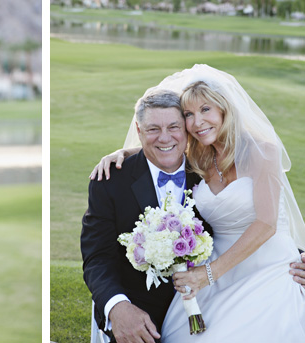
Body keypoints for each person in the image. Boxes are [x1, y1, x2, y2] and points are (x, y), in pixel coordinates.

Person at [89, 65, 305, 342]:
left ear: (225, 110)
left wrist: (207, 275)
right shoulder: (201, 158)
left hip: (263, 268)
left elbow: (267, 223)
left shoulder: (262, 152)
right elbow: (164, 145)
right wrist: (124, 152)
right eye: (189, 114)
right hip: (214, 274)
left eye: (206, 110)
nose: (197, 121)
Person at [82, 89, 201, 343]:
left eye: (173, 127)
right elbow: (97, 258)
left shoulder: (210, 176)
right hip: (139, 310)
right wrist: (118, 307)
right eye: (153, 129)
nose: (165, 138)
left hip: (208, 302)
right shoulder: (109, 181)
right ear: (138, 131)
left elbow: (243, 221)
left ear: (187, 129)